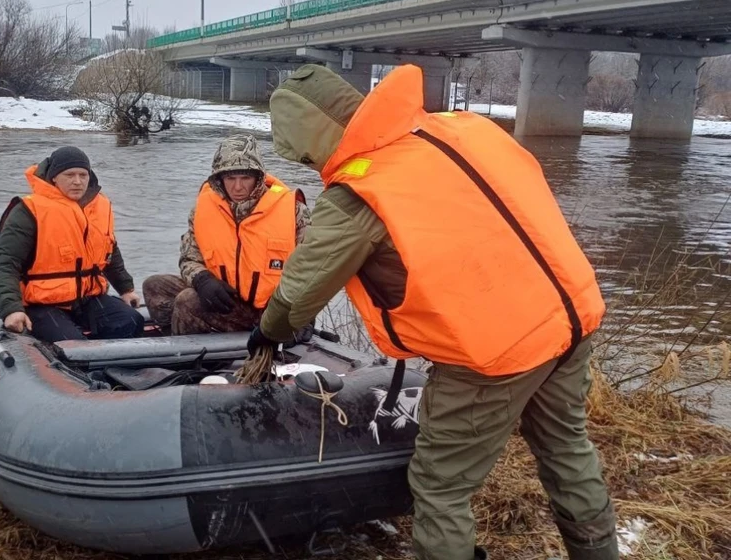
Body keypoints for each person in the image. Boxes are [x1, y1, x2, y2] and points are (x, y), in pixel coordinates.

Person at [247, 64, 618, 560]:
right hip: (571, 314)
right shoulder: (455, 128)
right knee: (566, 449)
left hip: (496, 349)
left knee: (440, 483)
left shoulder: (358, 193)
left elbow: (301, 289)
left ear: (311, 141)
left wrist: (268, 332)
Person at [142, 134, 311, 335]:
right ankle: (184, 333)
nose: (237, 187)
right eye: (231, 178)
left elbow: (313, 269)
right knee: (154, 286)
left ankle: (187, 361)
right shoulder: (203, 209)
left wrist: (301, 317)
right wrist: (203, 280)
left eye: (245, 178)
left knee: (187, 301)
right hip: (225, 297)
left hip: (269, 311)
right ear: (219, 179)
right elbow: (189, 259)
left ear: (258, 178)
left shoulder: (294, 211)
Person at [0, 146, 145, 342]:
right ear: (54, 177)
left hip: (87, 299)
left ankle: (116, 370)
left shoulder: (100, 207)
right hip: (41, 303)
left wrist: (125, 288)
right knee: (71, 345)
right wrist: (11, 308)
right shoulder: (29, 211)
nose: (77, 181)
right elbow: (4, 263)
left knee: (130, 321)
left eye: (83, 175)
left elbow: (109, 250)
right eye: (69, 175)